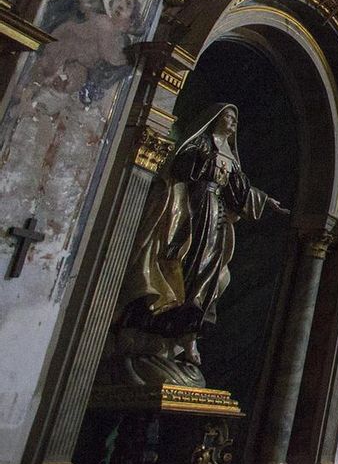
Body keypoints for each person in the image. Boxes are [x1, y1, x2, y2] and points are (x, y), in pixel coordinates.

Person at [106, 104, 285, 386]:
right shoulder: (201, 144)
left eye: (235, 118)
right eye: (227, 116)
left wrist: (265, 200)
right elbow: (182, 167)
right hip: (194, 211)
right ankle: (153, 330)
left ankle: (187, 337)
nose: (232, 122)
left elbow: (240, 190)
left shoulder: (231, 156)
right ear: (215, 119)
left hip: (217, 220)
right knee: (184, 264)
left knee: (210, 277)